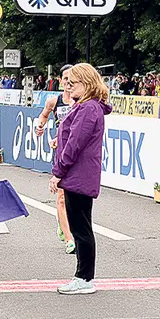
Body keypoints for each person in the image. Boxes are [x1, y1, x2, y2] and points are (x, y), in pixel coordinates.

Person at [49, 63, 111, 295]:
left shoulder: (87, 109)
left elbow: (74, 144)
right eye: (66, 82)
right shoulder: (88, 107)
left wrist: (58, 172)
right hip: (79, 174)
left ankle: (84, 278)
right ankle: (83, 277)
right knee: (80, 227)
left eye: (72, 82)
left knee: (81, 228)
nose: (67, 86)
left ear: (86, 84)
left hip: (79, 175)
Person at [38, 64, 74, 254]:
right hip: (60, 153)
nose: (69, 82)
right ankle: (69, 239)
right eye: (66, 79)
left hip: (76, 154)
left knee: (73, 197)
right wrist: (40, 127)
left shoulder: (81, 102)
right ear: (60, 81)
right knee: (61, 197)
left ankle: (63, 222)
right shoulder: (54, 101)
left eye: (73, 78)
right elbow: (43, 115)